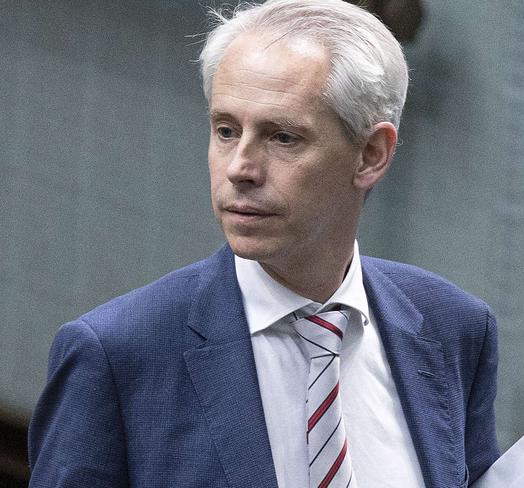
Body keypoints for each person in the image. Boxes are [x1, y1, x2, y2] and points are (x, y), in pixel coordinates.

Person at [28, 1, 499, 487]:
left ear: (371, 155)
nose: (240, 168)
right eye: (226, 131)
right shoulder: (117, 357)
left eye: (283, 138)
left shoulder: (455, 330)